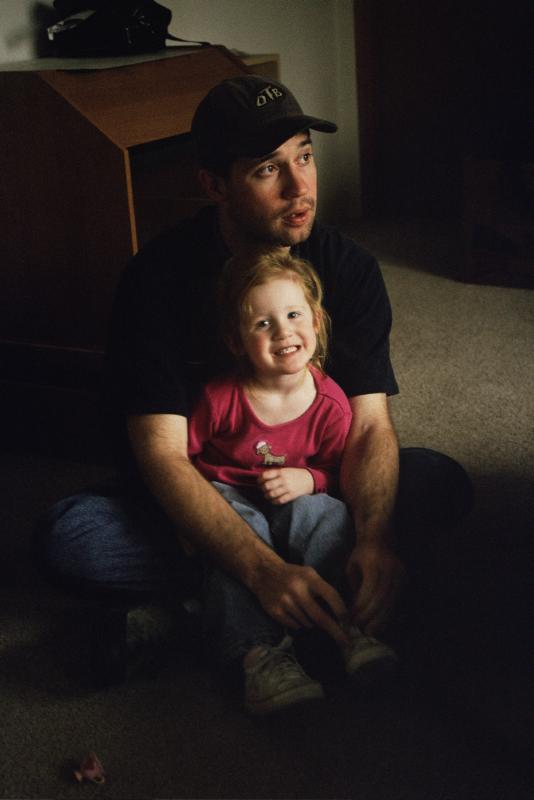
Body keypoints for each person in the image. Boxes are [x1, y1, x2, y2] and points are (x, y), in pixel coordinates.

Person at [35, 74, 473, 685]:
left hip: (309, 487)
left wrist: (372, 537)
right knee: (70, 537)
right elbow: (161, 455)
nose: (301, 187)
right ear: (214, 185)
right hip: (211, 486)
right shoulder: (155, 280)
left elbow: (369, 424)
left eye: (304, 157)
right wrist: (258, 567)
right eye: (270, 169)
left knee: (439, 483)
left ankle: (193, 611)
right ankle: (285, 589)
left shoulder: (349, 268)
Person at [190, 251, 398, 713]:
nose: (282, 331)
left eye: (292, 315)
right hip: (227, 496)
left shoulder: (331, 403)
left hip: (294, 497)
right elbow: (184, 461)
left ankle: (346, 628)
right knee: (234, 538)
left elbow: (337, 471)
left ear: (318, 321)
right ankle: (258, 654)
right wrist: (193, 524)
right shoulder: (219, 398)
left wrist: (309, 478)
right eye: (262, 324)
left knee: (328, 513)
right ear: (236, 340)